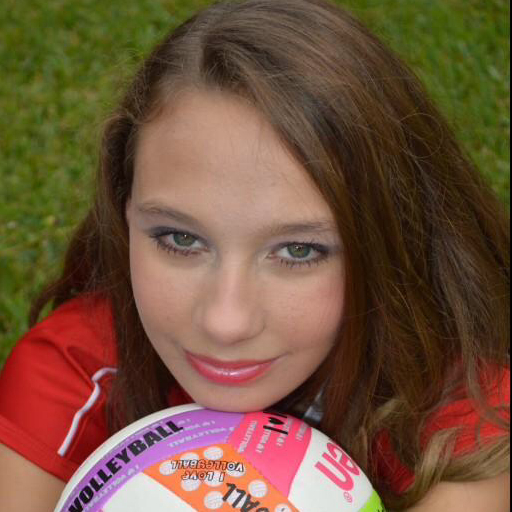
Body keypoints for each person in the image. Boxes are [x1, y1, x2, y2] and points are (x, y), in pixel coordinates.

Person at [0, 0, 509, 510]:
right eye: (181, 239)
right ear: (123, 209)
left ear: (391, 239)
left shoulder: (459, 396)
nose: (226, 323)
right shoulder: (74, 374)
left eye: (298, 250)